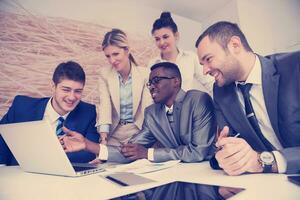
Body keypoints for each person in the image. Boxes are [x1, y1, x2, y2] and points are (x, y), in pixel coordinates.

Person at [195, 21, 300, 175]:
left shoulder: (295, 67)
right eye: (201, 64)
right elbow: (227, 145)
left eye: (208, 59)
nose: (204, 71)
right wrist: (229, 154)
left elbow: (256, 159)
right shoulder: (220, 92)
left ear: (235, 45)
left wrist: (266, 161)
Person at [61, 62, 216, 163]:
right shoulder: (152, 113)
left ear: (176, 81)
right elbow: (131, 150)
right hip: (173, 177)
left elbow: (197, 152)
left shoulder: (197, 100)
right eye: (149, 83)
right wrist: (88, 145)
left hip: (205, 174)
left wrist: (148, 153)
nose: (151, 86)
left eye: (157, 80)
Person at [0, 61, 99, 165]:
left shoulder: (88, 112)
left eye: (78, 91)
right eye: (66, 90)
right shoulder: (22, 106)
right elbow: (2, 139)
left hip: (62, 179)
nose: (72, 97)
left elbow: (89, 154)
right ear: (53, 86)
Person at [96, 29, 153, 147]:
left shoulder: (145, 74)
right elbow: (104, 106)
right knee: (109, 162)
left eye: (116, 54)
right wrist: (103, 139)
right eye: (108, 56)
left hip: (137, 132)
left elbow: (148, 108)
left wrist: (147, 135)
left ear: (127, 50)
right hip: (114, 134)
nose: (112, 60)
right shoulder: (104, 74)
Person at [148, 11, 214, 95]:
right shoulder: (152, 64)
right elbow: (151, 94)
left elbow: (210, 83)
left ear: (176, 36)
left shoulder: (190, 57)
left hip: (188, 106)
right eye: (157, 39)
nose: (161, 42)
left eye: (165, 37)